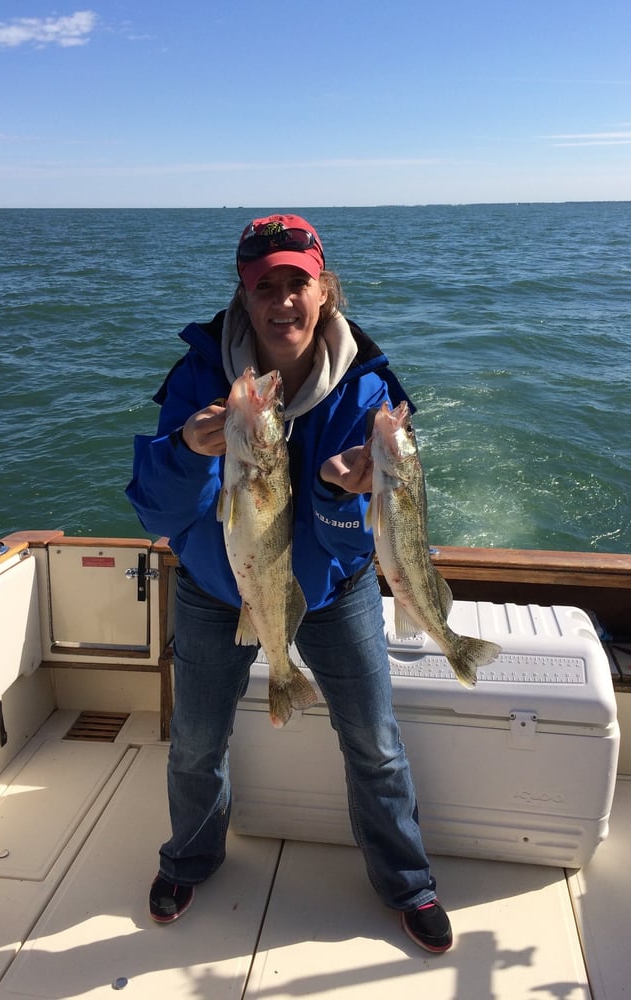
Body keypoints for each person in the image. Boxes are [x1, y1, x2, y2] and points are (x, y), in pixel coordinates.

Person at [125, 213, 453, 954]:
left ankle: (407, 881)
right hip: (215, 589)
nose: (281, 302)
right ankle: (190, 859)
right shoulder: (200, 379)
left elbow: (368, 537)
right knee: (195, 743)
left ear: (324, 291)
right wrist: (183, 448)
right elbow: (154, 511)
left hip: (338, 592)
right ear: (243, 299)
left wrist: (340, 502)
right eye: (262, 287)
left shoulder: (369, 390)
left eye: (295, 284)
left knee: (374, 742)